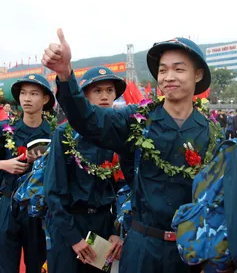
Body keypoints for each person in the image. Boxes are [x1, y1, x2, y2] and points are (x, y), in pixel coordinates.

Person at [42, 31, 221, 273]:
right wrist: (65, 74)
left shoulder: (212, 134)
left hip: (189, 254)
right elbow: (88, 119)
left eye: (179, 69)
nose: (169, 77)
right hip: (142, 249)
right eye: (163, 70)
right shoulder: (135, 119)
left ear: (197, 74)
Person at [44, 66, 131, 273]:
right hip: (69, 224)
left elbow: (124, 187)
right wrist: (74, 238)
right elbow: (53, 191)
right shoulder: (64, 133)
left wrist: (117, 230)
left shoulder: (120, 135)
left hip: (104, 224)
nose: (105, 97)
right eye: (97, 91)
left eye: (109, 91)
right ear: (83, 96)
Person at [0, 73, 55, 273]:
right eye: (23, 93)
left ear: (46, 99)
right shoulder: (5, 130)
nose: (27, 99)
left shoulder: (54, 134)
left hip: (38, 210)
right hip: (7, 206)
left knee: (37, 264)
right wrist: (4, 164)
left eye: (33, 94)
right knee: (5, 265)